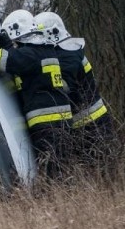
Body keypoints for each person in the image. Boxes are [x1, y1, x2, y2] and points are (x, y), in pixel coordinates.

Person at [0, 10, 73, 181]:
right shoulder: (45, 50)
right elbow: (22, 64)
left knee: (51, 173)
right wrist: (8, 46)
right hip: (61, 122)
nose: (14, 44)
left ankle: (55, 201)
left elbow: (5, 60)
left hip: (46, 124)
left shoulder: (30, 54)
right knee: (60, 168)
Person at [34, 11, 112, 166]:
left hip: (90, 124)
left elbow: (63, 87)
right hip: (88, 122)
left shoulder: (67, 55)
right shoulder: (68, 50)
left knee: (97, 170)